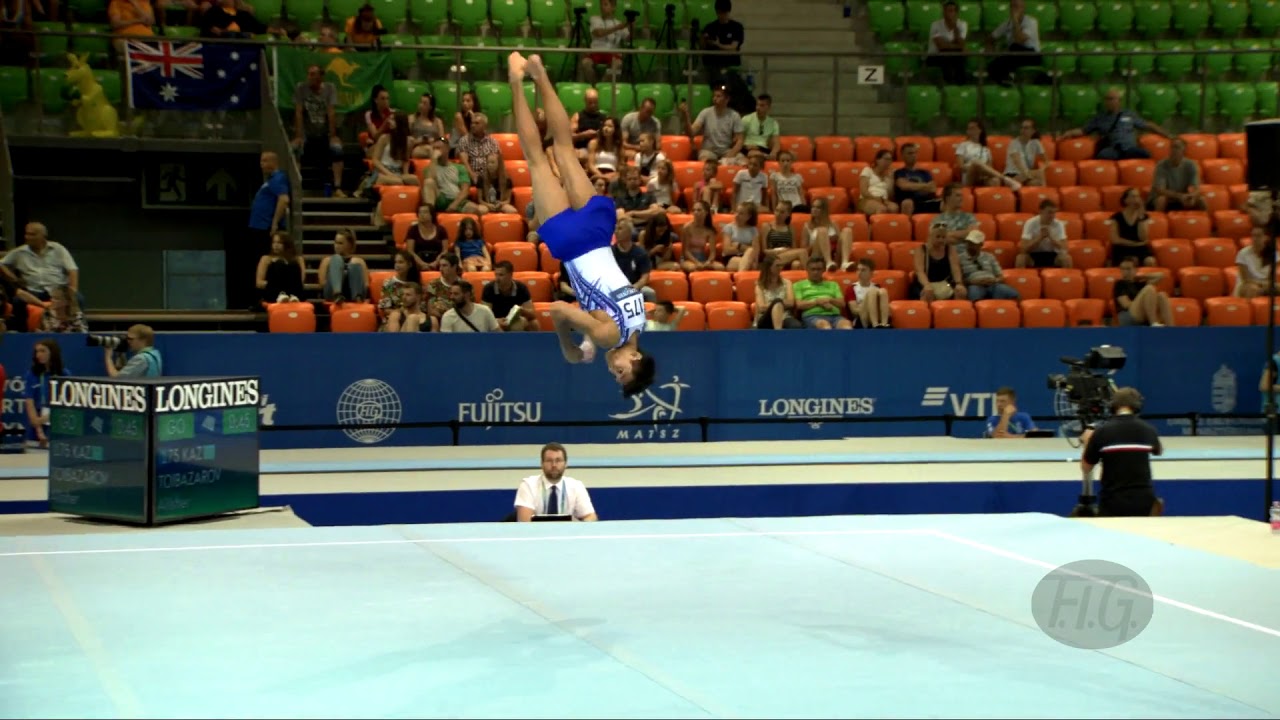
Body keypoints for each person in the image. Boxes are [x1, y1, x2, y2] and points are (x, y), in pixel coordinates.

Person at [507, 52, 656, 398]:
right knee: (536, 161)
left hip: (599, 232)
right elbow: (559, 309)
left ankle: (540, 74)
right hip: (573, 244)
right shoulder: (607, 339)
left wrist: (588, 335)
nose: (614, 371)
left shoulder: (640, 323)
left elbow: (605, 314)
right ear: (635, 357)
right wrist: (568, 347)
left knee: (564, 149)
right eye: (622, 372)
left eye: (616, 377)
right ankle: (516, 82)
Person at [1080, 387, 1163, 517]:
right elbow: (1158, 451)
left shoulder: (1102, 432)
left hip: (1112, 501)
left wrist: (1087, 443)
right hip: (1144, 501)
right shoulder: (1149, 429)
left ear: (1113, 406)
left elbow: (1086, 468)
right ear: (1137, 407)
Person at [513, 442, 598, 522]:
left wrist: (577, 526)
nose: (554, 465)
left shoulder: (576, 486)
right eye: (549, 460)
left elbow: (591, 517)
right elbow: (525, 521)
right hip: (537, 532)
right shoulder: (528, 485)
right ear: (542, 464)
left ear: (565, 464)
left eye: (558, 460)